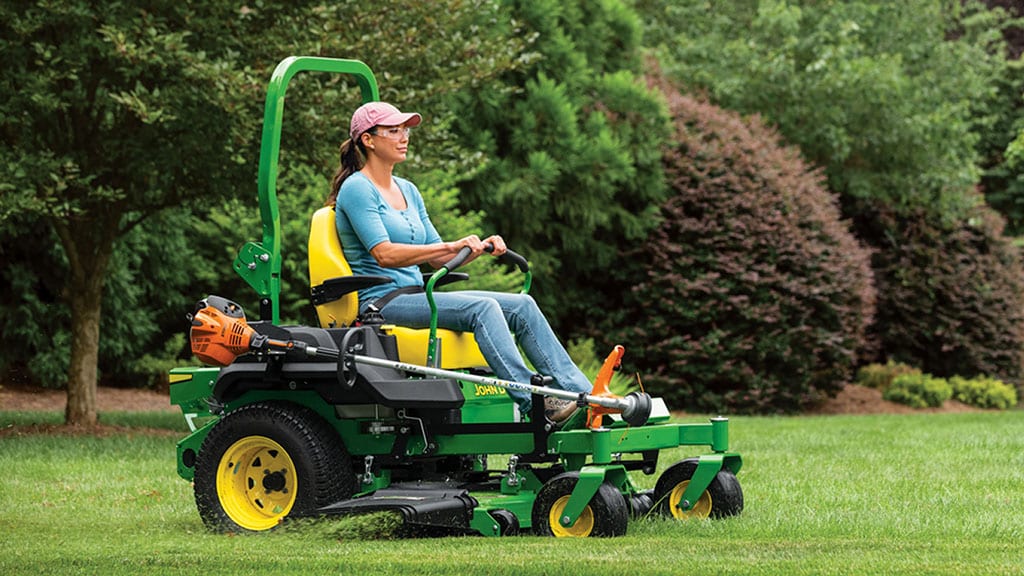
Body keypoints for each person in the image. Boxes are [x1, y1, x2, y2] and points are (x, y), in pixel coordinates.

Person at [324, 101, 592, 422]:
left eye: (405, 130)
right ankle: (535, 403)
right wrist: (451, 245)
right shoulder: (357, 189)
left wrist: (477, 247)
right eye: (394, 131)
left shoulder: (408, 189)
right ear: (368, 140)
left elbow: (440, 256)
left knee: (523, 305)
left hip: (415, 296)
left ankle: (583, 395)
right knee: (483, 309)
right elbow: (385, 254)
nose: (404, 137)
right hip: (379, 305)